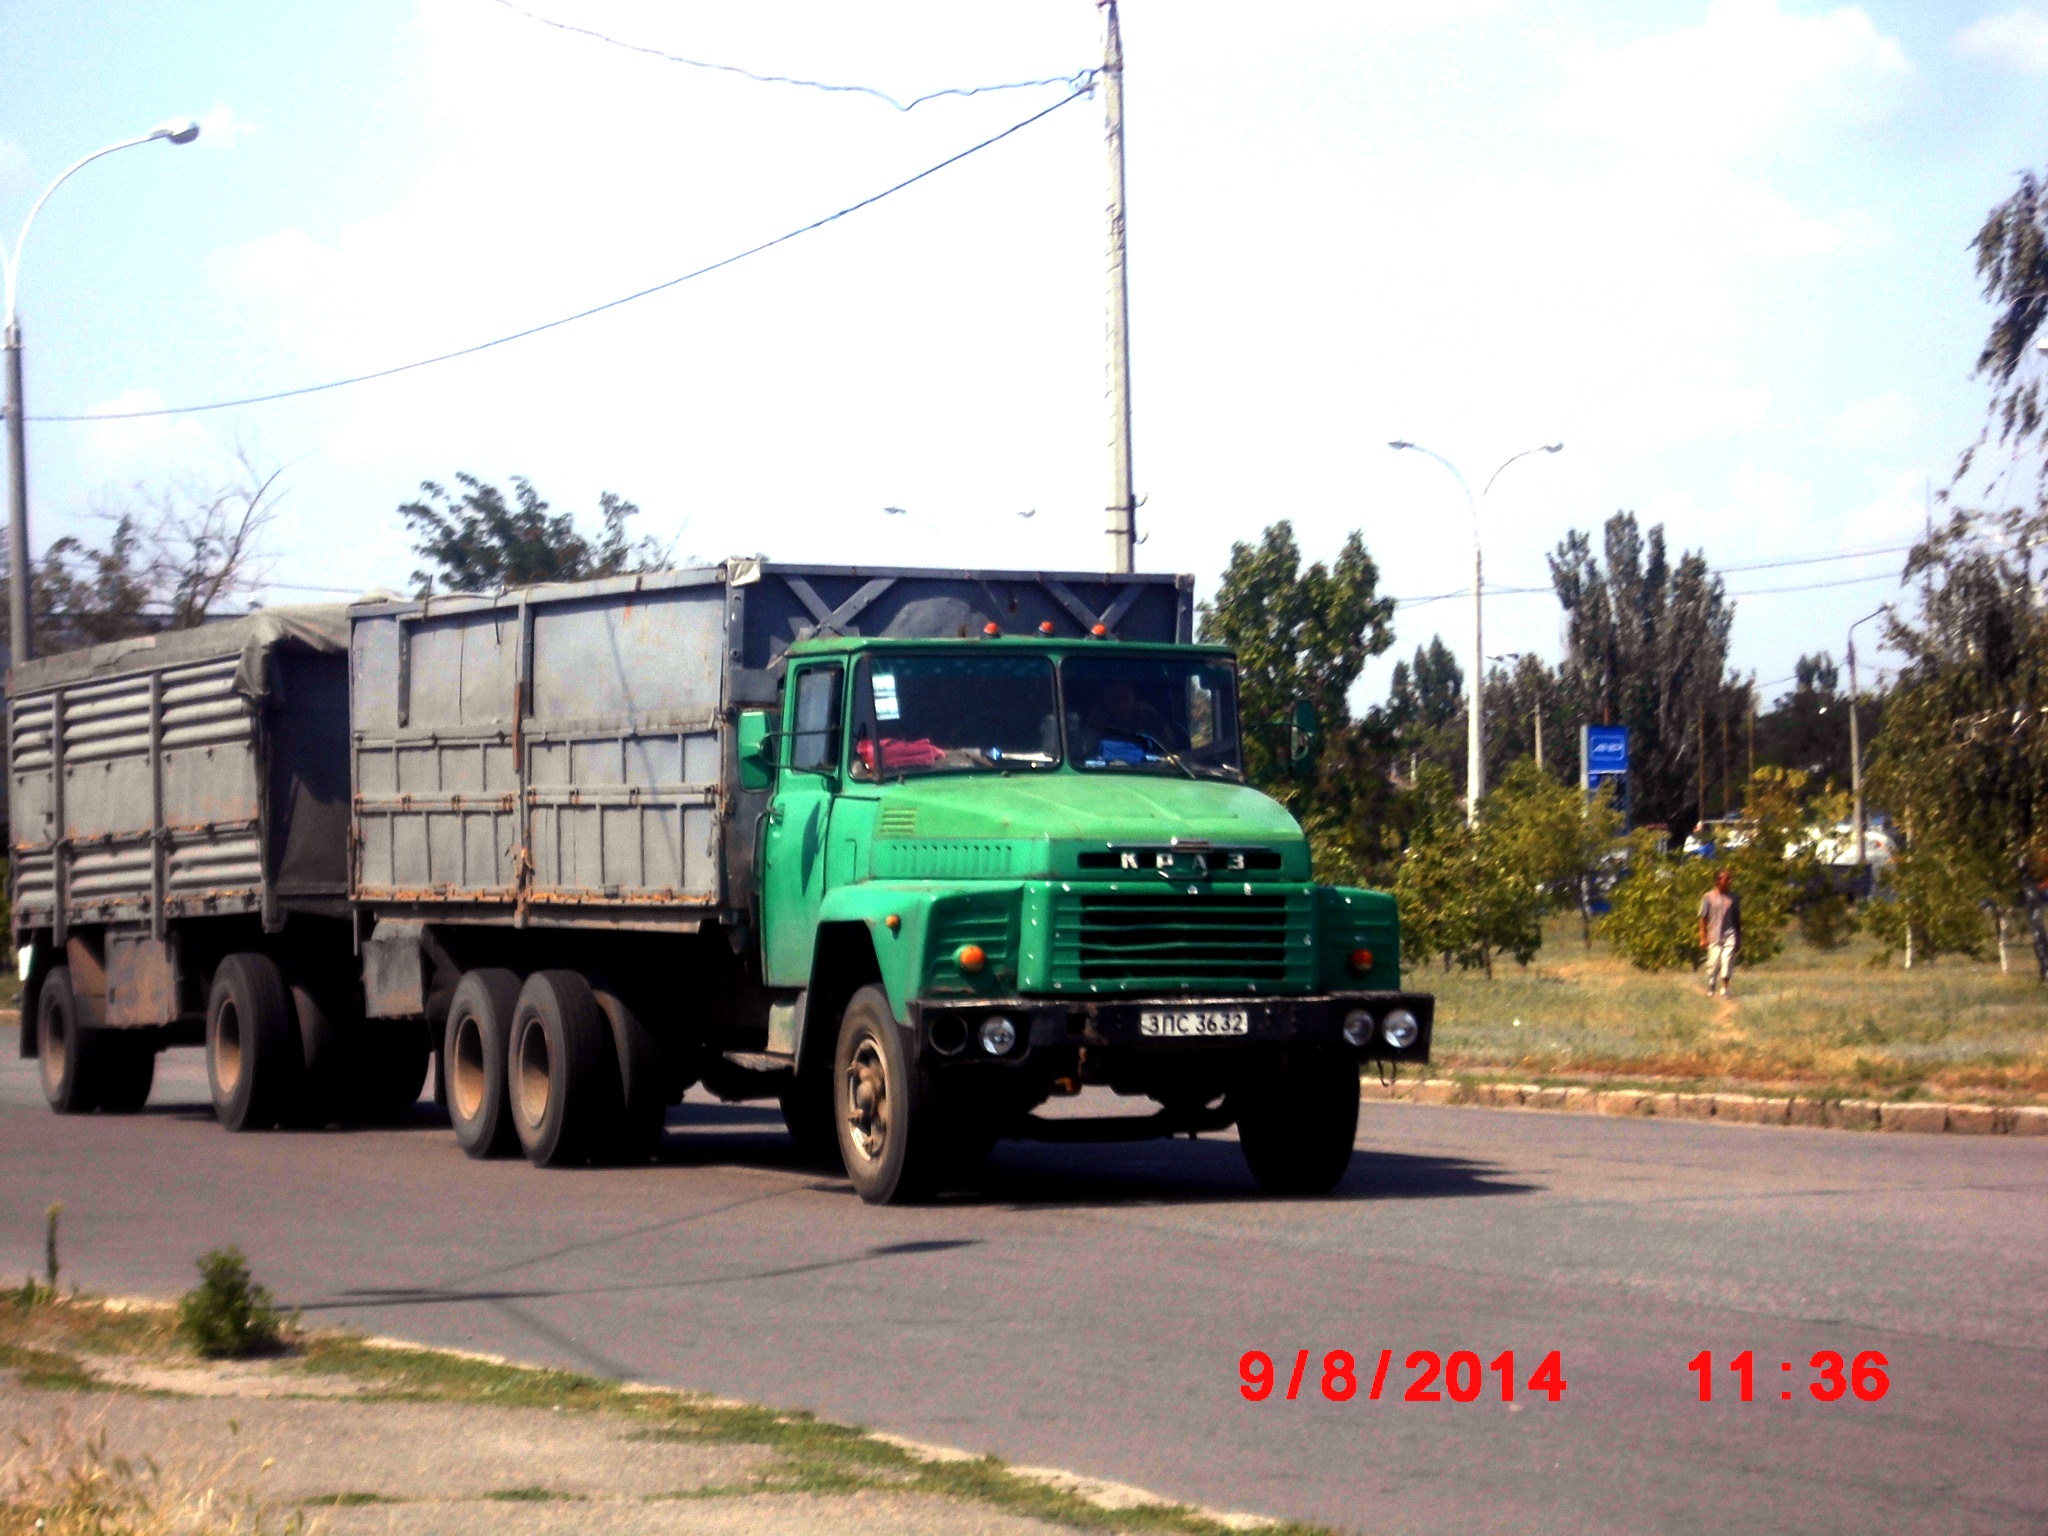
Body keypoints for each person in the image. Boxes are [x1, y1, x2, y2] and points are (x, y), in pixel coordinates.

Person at [1698, 868, 1741, 998]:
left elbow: (1737, 919)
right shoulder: (1707, 897)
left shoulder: (1734, 898)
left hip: (1730, 934)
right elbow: (1703, 918)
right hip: (1714, 935)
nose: (1730, 881)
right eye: (1726, 879)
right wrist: (1703, 937)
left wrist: (1739, 938)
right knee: (1714, 962)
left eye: (1730, 879)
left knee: (1727, 960)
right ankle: (1711, 984)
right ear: (1718, 881)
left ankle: (1725, 989)